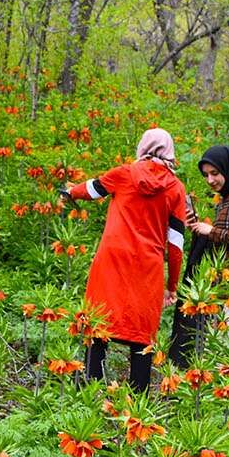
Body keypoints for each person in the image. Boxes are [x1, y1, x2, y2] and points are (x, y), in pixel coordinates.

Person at [60, 128, 187, 392]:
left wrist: (71, 192)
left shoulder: (124, 173)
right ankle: (137, 401)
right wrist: (171, 285)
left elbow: (92, 189)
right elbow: (175, 245)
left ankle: (90, 392)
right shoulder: (175, 189)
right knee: (142, 334)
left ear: (143, 147)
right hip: (148, 268)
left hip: (111, 261)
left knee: (98, 324)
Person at [170, 145, 229, 365]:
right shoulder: (226, 197)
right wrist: (197, 225)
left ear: (228, 169)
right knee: (218, 347)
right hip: (222, 283)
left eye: (215, 173)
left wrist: (211, 230)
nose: (210, 180)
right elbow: (222, 240)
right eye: (206, 175)